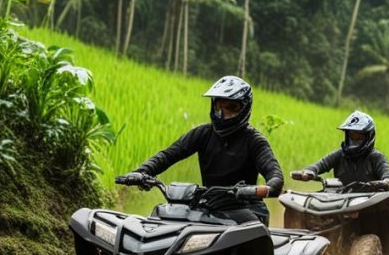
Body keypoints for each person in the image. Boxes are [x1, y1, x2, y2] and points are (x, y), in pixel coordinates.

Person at [119, 75, 284, 225]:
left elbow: (274, 175)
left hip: (245, 207)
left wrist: (265, 188)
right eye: (220, 107)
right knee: (166, 220)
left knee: (249, 234)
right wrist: (142, 172)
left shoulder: (254, 141)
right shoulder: (203, 133)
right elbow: (168, 155)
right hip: (209, 206)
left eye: (232, 107)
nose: (224, 114)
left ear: (244, 109)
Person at [291, 110, 389, 191]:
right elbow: (321, 164)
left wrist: (384, 183)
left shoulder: (375, 157)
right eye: (352, 135)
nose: (354, 139)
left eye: (359, 136)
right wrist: (308, 172)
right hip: (342, 200)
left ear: (369, 137)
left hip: (369, 203)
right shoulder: (340, 154)